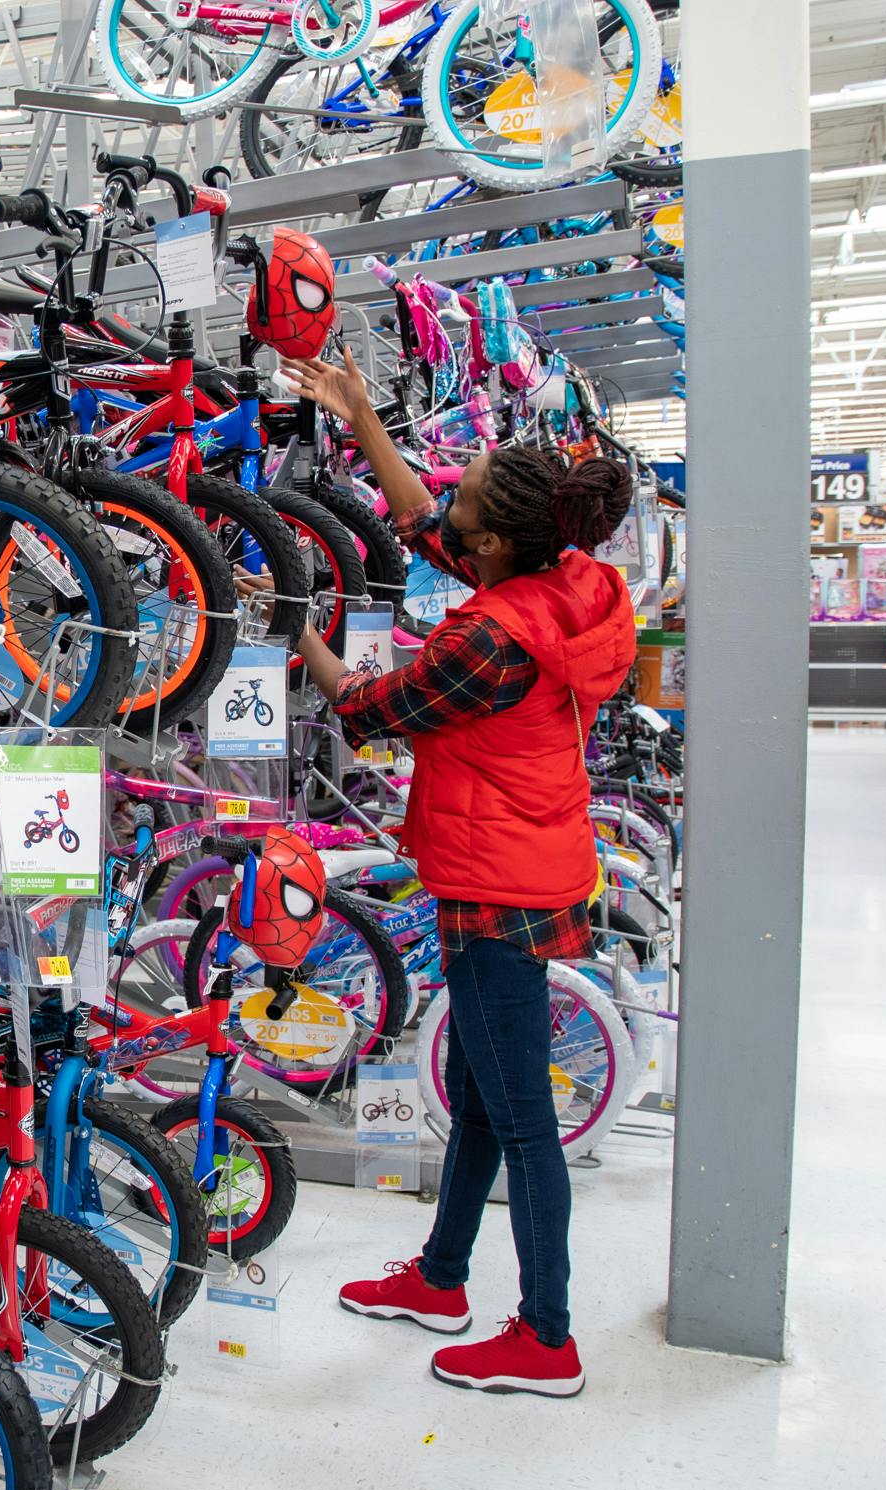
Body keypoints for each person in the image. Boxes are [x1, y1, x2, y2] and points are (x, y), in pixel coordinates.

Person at [280, 349, 638, 1398]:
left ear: (494, 542)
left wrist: (292, 619)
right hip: (537, 856)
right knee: (482, 1096)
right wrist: (361, 417)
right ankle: (441, 1277)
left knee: (523, 1118)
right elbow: (425, 521)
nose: (449, 514)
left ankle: (547, 1335)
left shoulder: (492, 638)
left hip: (497, 889)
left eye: (468, 503)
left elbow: (370, 708)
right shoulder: (569, 581)